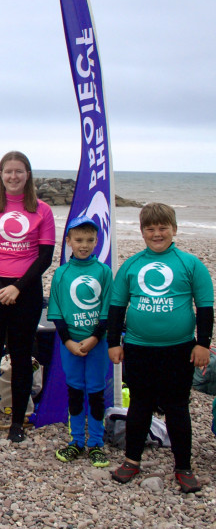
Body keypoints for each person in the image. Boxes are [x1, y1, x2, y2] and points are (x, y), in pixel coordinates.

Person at [107, 203, 212, 494]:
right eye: (150, 228)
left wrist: (202, 343)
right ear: (142, 232)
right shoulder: (131, 265)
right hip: (139, 349)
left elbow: (204, 307)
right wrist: (113, 343)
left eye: (162, 227)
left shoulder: (190, 264)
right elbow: (116, 307)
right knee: (139, 404)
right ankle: (131, 460)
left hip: (179, 349)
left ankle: (183, 467)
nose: (157, 233)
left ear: (174, 229)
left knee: (178, 407)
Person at [0, 151, 55, 443]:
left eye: (19, 171)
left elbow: (45, 256)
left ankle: (17, 422)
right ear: (1, 175)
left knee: (21, 357)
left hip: (26, 290)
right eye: (8, 171)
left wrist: (17, 287)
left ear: (27, 175)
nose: (14, 177)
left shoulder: (42, 210)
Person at [47, 215, 112, 468]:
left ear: (96, 241)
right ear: (69, 242)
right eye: (78, 240)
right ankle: (76, 441)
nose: (84, 245)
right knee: (75, 390)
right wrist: (69, 342)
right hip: (70, 344)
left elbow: (108, 310)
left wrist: (95, 338)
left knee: (95, 392)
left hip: (98, 343)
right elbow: (57, 312)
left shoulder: (104, 272)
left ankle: (96, 443)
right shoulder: (62, 273)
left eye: (89, 240)